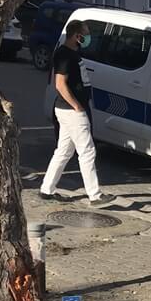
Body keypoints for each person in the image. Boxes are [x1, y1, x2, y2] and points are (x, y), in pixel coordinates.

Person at [39, 21, 115, 206]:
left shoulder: (70, 53)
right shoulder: (65, 55)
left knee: (64, 151)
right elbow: (60, 84)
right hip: (71, 111)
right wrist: (77, 106)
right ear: (76, 36)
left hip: (67, 110)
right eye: (85, 34)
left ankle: (47, 189)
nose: (88, 38)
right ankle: (95, 195)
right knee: (87, 151)